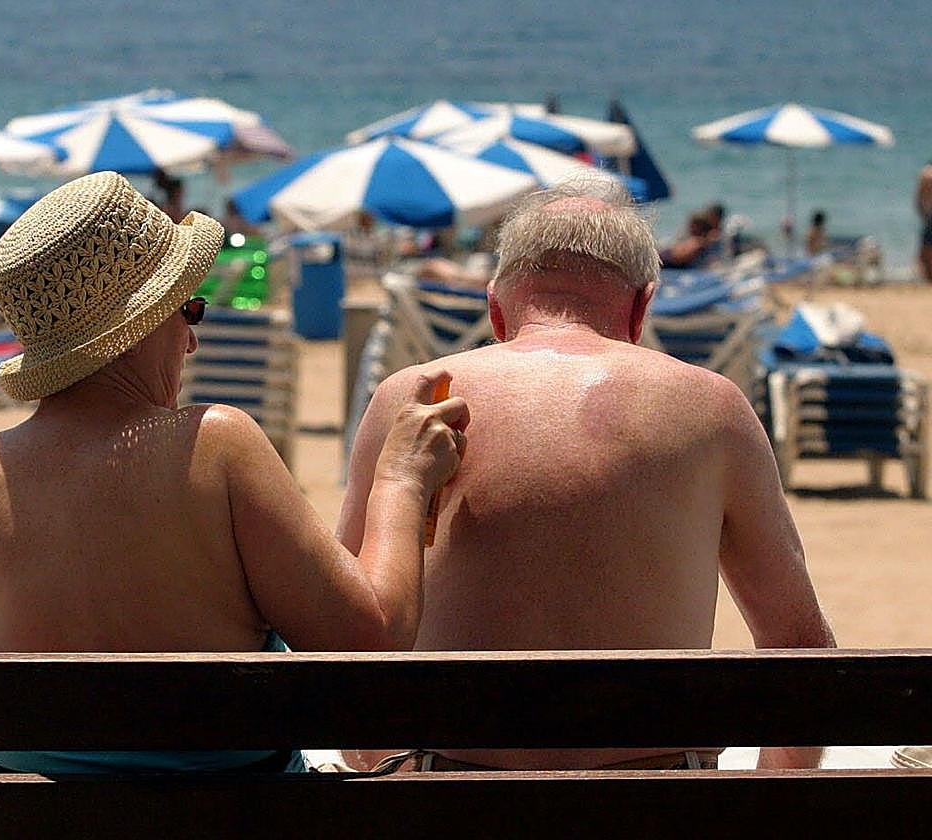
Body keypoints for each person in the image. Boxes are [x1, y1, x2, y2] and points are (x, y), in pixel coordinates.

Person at [0, 172, 469, 775]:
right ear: (139, 327)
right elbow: (371, 645)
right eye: (189, 310)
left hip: (18, 826)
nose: (192, 343)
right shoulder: (213, 445)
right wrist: (402, 480)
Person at [340, 179, 835, 772]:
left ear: (496, 308)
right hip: (659, 804)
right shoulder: (713, 409)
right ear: (642, 307)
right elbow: (802, 651)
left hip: (444, 798)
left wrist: (388, 773)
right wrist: (770, 801)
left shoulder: (413, 402)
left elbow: (341, 636)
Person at [915, 161, 932, 281]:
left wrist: (924, 215)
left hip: (929, 216)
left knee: (925, 253)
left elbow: (919, 200)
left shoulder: (926, 173)